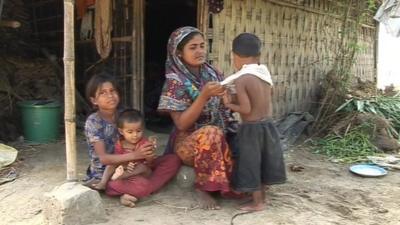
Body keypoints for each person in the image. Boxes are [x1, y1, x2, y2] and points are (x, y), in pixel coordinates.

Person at [158, 26, 239, 210]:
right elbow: (181, 123)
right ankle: (203, 188)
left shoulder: (213, 73)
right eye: (193, 47)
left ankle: (239, 184)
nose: (200, 51)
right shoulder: (174, 82)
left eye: (202, 45)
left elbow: (227, 106)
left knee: (247, 132)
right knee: (211, 133)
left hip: (220, 137)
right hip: (189, 144)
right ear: (179, 52)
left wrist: (230, 94)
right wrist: (203, 96)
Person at [84, 73, 181, 207]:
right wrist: (136, 155)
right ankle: (120, 188)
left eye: (113, 91)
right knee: (141, 185)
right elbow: (104, 159)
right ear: (94, 100)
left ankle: (134, 190)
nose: (110, 96)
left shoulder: (126, 114)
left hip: (136, 165)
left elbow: (140, 138)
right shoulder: (94, 122)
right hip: (111, 171)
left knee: (173, 160)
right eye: (103, 93)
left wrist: (148, 148)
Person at [222, 33, 287, 211]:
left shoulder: (242, 79)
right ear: (258, 55)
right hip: (268, 125)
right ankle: (262, 198)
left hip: (251, 129)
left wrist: (228, 103)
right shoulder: (263, 74)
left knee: (251, 164)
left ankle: (257, 203)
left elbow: (246, 109)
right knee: (264, 161)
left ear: (235, 56)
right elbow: (262, 99)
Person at [91, 109, 155, 191]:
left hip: (140, 172)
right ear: (121, 131)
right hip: (124, 169)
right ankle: (103, 183)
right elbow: (118, 159)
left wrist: (150, 155)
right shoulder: (120, 144)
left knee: (142, 167)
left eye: (138, 131)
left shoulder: (144, 143)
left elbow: (150, 163)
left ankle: (119, 178)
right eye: (130, 132)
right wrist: (125, 166)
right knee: (111, 164)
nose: (135, 135)